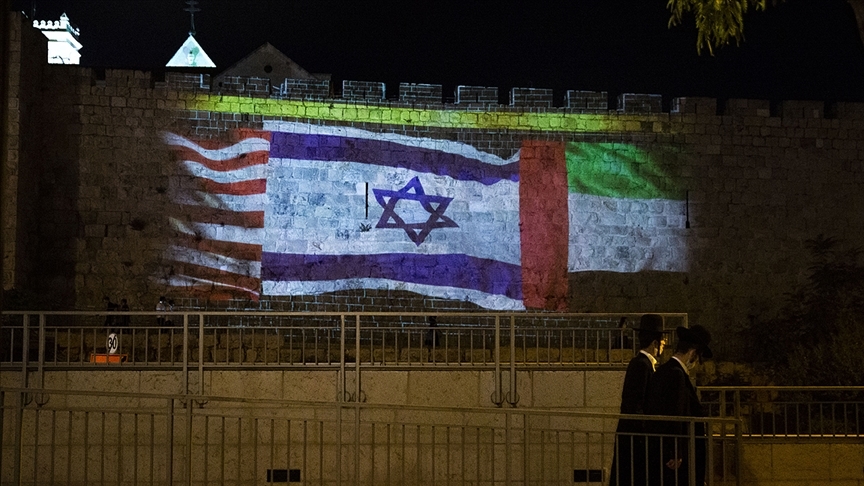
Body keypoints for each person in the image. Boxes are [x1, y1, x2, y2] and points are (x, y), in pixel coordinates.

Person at [643, 325, 713, 486]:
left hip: (663, 448)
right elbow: (676, 413)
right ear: (693, 353)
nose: (697, 363)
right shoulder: (677, 374)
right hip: (678, 454)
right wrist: (675, 450)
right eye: (698, 357)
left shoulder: (663, 371)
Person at [609, 314, 668, 486]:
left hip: (633, 438)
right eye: (662, 342)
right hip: (635, 440)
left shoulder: (641, 364)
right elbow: (635, 404)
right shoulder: (642, 366)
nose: (664, 345)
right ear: (655, 343)